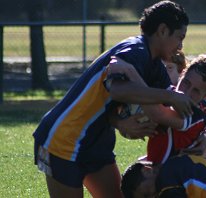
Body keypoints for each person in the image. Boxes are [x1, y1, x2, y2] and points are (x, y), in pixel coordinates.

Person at [32, 1, 193, 197]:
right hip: (64, 139)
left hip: (97, 139)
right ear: (162, 30)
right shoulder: (135, 50)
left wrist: (202, 136)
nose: (180, 46)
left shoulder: (155, 66)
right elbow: (117, 89)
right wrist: (169, 96)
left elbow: (167, 110)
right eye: (180, 37)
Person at [110, 54, 206, 164]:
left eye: (196, 91)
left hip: (189, 177)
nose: (186, 92)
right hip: (167, 170)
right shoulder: (166, 94)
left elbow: (158, 114)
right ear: (182, 73)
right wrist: (121, 123)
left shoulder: (196, 113)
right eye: (186, 82)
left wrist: (130, 71)